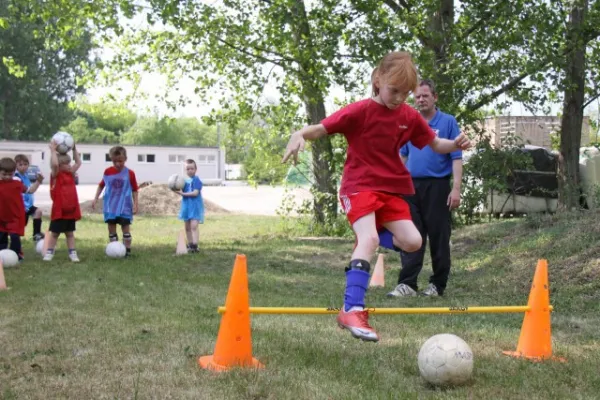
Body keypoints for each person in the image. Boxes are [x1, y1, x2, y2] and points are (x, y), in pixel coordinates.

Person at [282, 51, 471, 342]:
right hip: (358, 186)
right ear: (377, 80)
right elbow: (321, 128)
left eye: (405, 93)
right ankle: (352, 308)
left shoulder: (408, 116)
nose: (399, 98)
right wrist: (299, 134)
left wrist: (455, 142)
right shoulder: (359, 111)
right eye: (394, 91)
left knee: (413, 241)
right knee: (368, 239)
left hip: (391, 189)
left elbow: (435, 143)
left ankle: (367, 235)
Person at [379, 79, 462, 298]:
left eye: (425, 95)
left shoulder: (448, 122)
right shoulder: (410, 122)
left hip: (438, 187)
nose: (421, 100)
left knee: (438, 237)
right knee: (410, 235)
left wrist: (456, 189)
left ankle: (437, 284)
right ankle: (407, 284)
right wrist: (392, 185)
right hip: (410, 188)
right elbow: (402, 156)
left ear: (435, 97)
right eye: (417, 96)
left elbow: (456, 157)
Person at [91, 146, 139, 257]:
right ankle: (114, 249)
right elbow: (101, 185)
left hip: (124, 206)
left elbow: (135, 190)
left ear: (125, 159)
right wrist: (95, 198)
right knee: (111, 227)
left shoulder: (130, 173)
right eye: (114, 161)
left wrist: (136, 204)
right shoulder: (107, 172)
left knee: (125, 228)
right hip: (110, 206)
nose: (117, 164)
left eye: (120, 161)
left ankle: (127, 251)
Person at [44, 141, 82, 262]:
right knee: (54, 233)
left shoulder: (70, 174)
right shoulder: (56, 174)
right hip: (59, 210)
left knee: (70, 233)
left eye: (69, 162)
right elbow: (54, 164)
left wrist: (74, 149)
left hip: (70, 210)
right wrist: (53, 151)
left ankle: (72, 253)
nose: (69, 165)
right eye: (66, 163)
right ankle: (49, 252)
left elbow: (79, 162)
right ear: (60, 166)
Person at [173, 159, 204, 253]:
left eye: (192, 168)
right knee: (187, 227)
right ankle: (190, 244)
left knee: (194, 226)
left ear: (196, 169)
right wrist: (174, 186)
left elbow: (195, 193)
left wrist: (183, 194)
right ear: (185, 170)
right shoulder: (184, 181)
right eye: (188, 169)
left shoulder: (196, 180)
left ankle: (195, 245)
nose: (190, 170)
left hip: (195, 207)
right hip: (186, 207)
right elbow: (178, 188)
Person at [14, 154, 45, 243]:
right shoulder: (16, 177)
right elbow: (27, 190)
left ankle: (36, 234)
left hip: (28, 206)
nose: (23, 167)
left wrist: (38, 181)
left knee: (38, 212)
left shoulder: (26, 175)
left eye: (25, 164)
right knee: (20, 227)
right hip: (20, 207)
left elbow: (31, 190)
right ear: (16, 166)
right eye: (20, 165)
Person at [0, 158, 26, 262]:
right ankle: (2, 255)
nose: (7, 177)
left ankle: (17, 254)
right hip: (1, 216)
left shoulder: (17, 184)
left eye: (10, 175)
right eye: (4, 174)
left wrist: (38, 181)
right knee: (1, 237)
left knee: (15, 236)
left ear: (14, 173)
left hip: (14, 216)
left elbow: (29, 190)